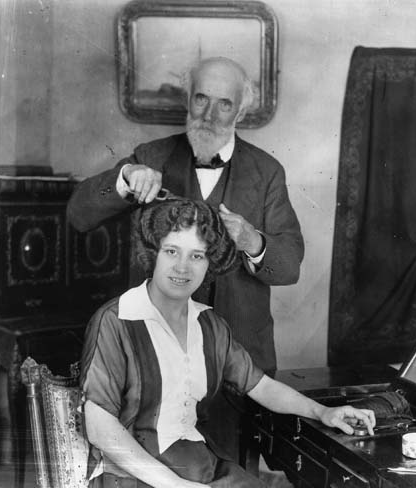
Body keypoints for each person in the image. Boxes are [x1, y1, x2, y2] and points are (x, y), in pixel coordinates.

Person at [68, 56, 304, 460]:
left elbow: (289, 266)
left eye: (224, 104)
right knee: (153, 466)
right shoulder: (150, 156)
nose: (210, 114)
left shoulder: (267, 173)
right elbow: (78, 215)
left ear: (240, 111)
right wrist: (125, 180)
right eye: (201, 99)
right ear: (187, 99)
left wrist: (252, 240)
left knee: (230, 471)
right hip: (151, 360)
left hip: (237, 362)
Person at [80, 199, 375, 488]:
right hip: (132, 476)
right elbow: (99, 427)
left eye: (197, 256)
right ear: (152, 253)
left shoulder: (209, 325)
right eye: (171, 251)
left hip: (195, 462)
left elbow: (261, 386)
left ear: (211, 262)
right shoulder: (116, 319)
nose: (182, 267)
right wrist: (175, 486)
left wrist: (322, 412)